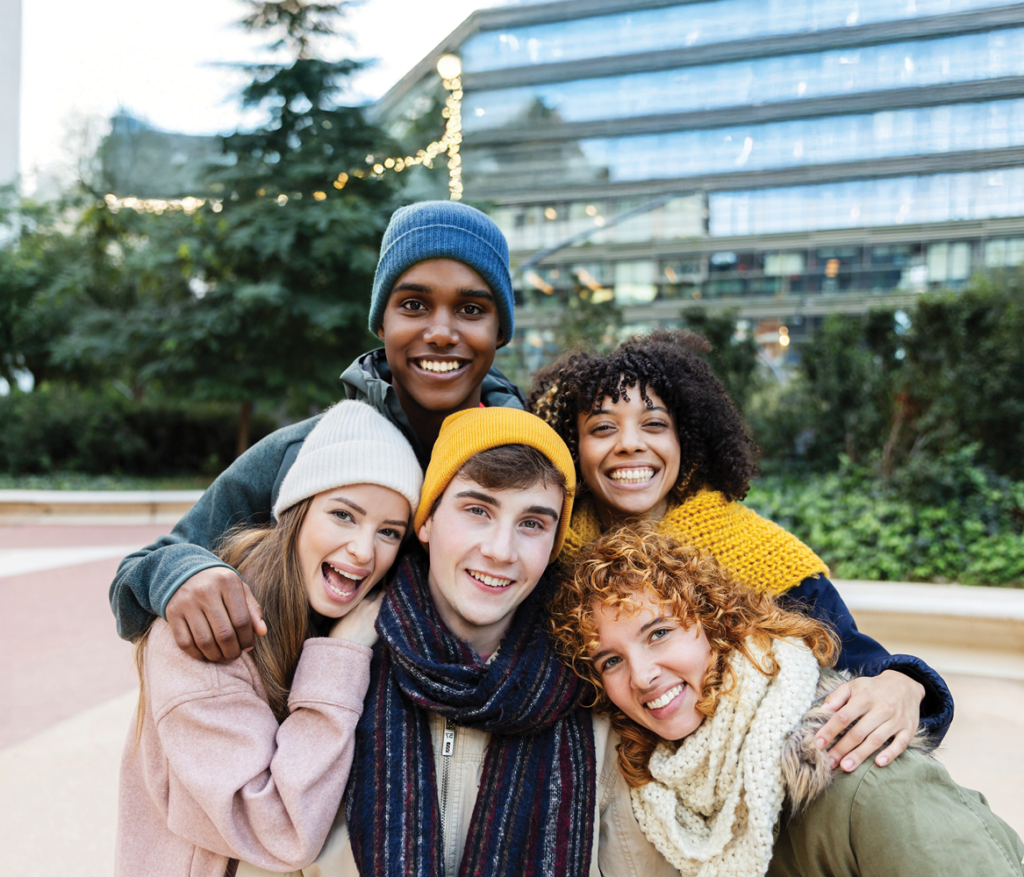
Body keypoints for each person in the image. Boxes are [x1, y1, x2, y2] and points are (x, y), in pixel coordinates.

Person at [236, 406, 676, 877]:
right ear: (425, 522)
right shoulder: (329, 665)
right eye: (477, 511)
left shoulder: (593, 688)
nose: (500, 550)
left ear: (553, 545)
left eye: (532, 523)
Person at [110, 200, 523, 662]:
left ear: (500, 330)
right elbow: (135, 576)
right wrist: (183, 575)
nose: (441, 332)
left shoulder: (538, 462)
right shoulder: (302, 453)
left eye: (471, 309)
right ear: (381, 321)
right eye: (413, 305)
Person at [529, 328, 954, 771]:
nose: (630, 443)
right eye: (602, 427)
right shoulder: (547, 555)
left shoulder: (763, 555)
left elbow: (857, 662)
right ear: (573, 446)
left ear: (686, 439)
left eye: (654, 424)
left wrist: (905, 685)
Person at [549, 524, 1024, 877]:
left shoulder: (859, 768)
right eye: (611, 660)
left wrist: (908, 681)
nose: (642, 676)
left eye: (658, 633)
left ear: (716, 622)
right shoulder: (668, 796)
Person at [116, 401, 424, 877]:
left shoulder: (370, 618)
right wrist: (341, 654)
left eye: (388, 531)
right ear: (296, 513)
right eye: (343, 515)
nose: (364, 551)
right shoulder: (204, 631)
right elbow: (281, 832)